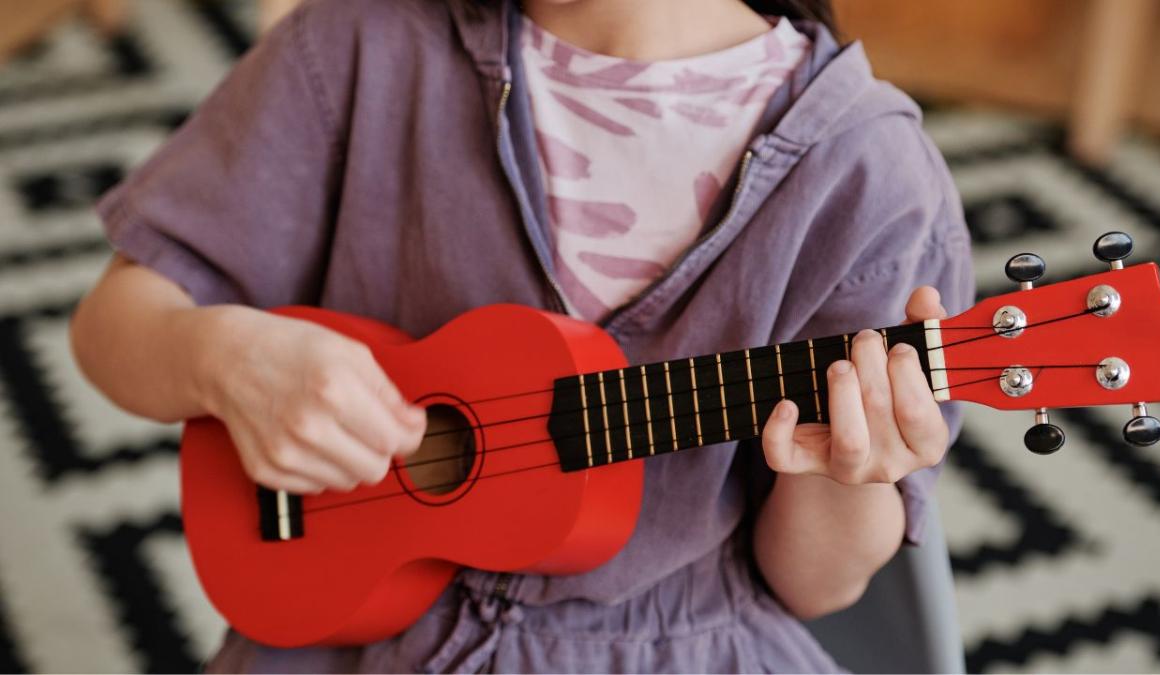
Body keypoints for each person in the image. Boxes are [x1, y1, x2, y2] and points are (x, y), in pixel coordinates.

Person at [70, 0, 974, 671]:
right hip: (347, 636)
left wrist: (858, 468)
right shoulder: (355, 45)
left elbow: (817, 586)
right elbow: (112, 328)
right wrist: (226, 360)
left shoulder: (868, 176)